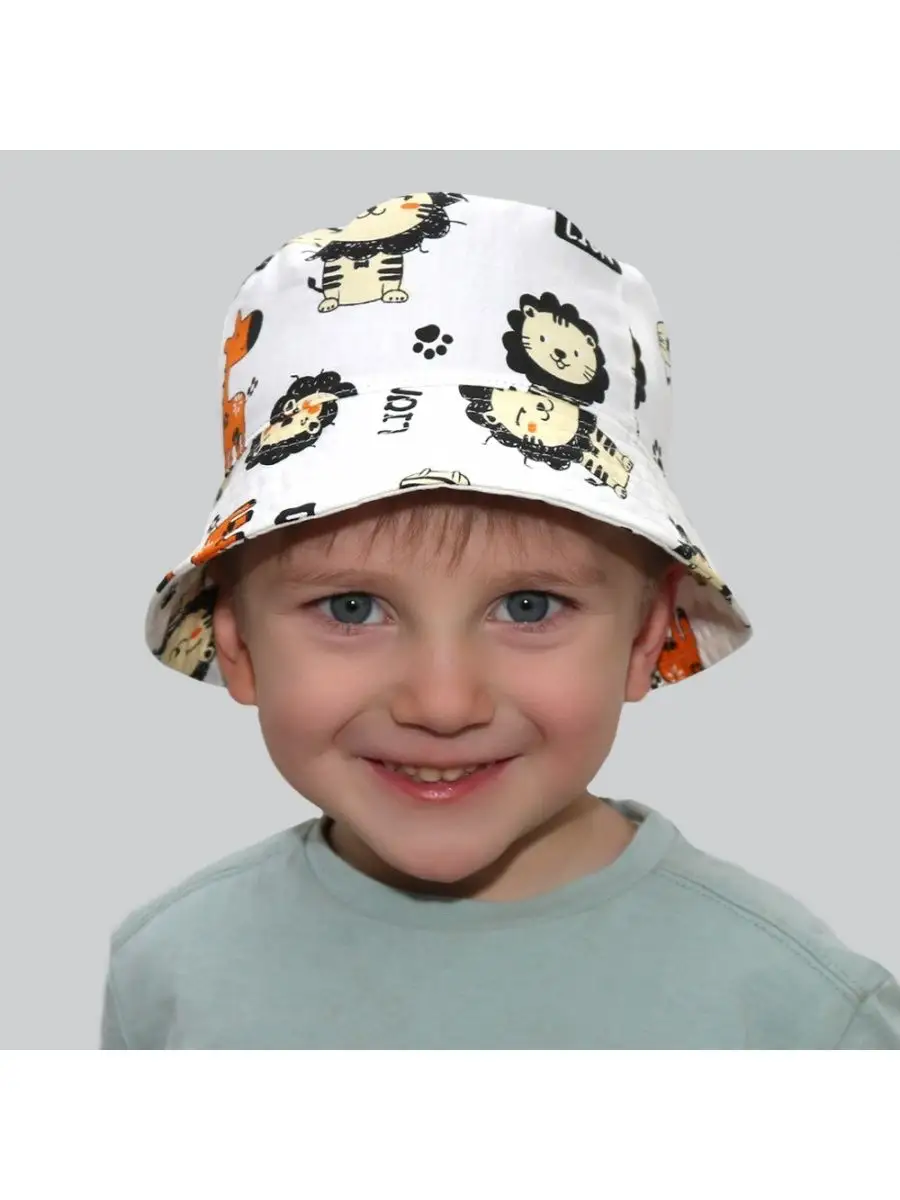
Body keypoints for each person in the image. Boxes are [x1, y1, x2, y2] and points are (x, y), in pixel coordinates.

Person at [100, 191, 900, 1049]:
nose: (443, 703)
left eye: (528, 606)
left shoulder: (797, 1015)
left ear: (645, 636)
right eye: (351, 608)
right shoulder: (172, 974)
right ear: (238, 641)